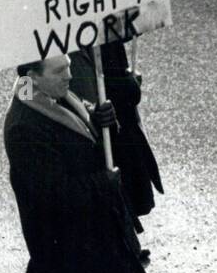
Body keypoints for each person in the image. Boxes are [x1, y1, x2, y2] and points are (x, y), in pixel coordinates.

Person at [4, 52, 182, 273]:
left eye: (69, 67)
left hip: (88, 219)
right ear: (33, 77)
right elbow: (51, 191)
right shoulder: (24, 124)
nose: (69, 77)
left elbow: (89, 144)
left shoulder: (55, 98)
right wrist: (103, 184)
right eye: (59, 71)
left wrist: (105, 123)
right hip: (59, 232)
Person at [69, 39, 163, 228]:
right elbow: (24, 85)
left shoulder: (103, 36)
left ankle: (124, 244)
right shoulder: (42, 41)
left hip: (106, 127)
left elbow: (119, 77)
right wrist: (25, 106)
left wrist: (130, 82)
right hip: (72, 132)